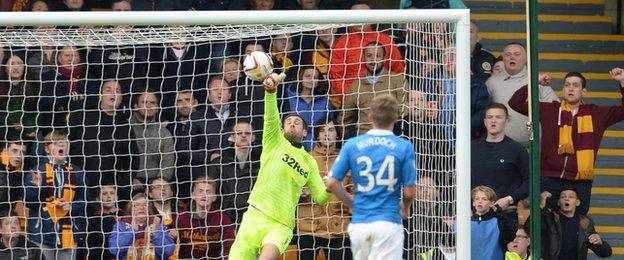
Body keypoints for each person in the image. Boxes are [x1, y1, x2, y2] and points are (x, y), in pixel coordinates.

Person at [228, 72, 332, 260]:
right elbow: (270, 117)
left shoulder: (310, 162)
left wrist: (332, 185)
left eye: (297, 122)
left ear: (305, 132)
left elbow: (321, 197)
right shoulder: (274, 141)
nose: (292, 124)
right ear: (282, 129)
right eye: (288, 122)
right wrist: (270, 91)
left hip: (281, 225)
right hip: (253, 217)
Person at [508, 68, 624, 215]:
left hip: (580, 182)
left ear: (584, 92)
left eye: (576, 85)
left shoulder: (597, 113)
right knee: (547, 225)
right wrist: (535, 82)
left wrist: (622, 81)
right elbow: (515, 102)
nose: (571, 88)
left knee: (576, 226)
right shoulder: (549, 109)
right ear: (563, 89)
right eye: (567, 85)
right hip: (549, 179)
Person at [326, 94, 417, 259]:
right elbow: (410, 192)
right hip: (388, 223)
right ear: (396, 117)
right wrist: (405, 206)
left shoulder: (352, 144)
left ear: (369, 116)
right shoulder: (404, 146)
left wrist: (351, 202)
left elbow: (332, 182)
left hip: (360, 223)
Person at [68, 80, 139, 206]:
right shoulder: (81, 117)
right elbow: (64, 144)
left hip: (109, 194)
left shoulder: (124, 126)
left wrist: (122, 186)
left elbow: (133, 161)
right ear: (100, 95)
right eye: (108, 90)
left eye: (117, 91)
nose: (113, 93)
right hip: (78, 188)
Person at [24, 130, 87, 259]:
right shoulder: (38, 170)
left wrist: (72, 206)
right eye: (57, 143)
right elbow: (29, 202)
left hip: (68, 235)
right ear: (47, 149)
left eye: (65, 143)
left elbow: (86, 200)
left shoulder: (77, 171)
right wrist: (36, 187)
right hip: (41, 234)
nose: (62, 146)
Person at [329, 2, 404, 107]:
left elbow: (398, 70)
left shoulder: (385, 40)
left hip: (383, 101)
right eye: (355, 16)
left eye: (363, 15)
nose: (359, 19)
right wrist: (352, 97)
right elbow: (336, 76)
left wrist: (390, 96)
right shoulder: (342, 43)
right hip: (352, 102)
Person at [297, 118, 353, 260]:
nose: (326, 134)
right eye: (322, 130)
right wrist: (302, 194)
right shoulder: (305, 158)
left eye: (331, 130)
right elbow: (293, 190)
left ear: (338, 134)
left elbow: (355, 193)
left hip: (338, 227)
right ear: (317, 135)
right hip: (308, 226)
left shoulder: (347, 160)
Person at [486, 42, 558, 146]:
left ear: (525, 58)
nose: (512, 57)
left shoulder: (538, 80)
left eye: (517, 54)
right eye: (508, 54)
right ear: (503, 59)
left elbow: (554, 110)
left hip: (533, 148)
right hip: (500, 147)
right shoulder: (492, 82)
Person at [471, 103, 529, 222]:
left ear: (507, 121)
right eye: (490, 117)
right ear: (484, 121)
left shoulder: (517, 149)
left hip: (505, 215)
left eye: (498, 117)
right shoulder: (471, 148)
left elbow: (530, 182)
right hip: (474, 215)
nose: (493, 121)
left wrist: (509, 199)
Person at [338, 42, 406, 138]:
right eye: (369, 55)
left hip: (390, 138)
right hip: (363, 139)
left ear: (384, 58)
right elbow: (344, 119)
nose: (373, 60)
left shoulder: (398, 80)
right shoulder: (356, 85)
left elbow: (405, 114)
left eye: (378, 56)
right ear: (363, 58)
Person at [208, 120, 261, 226]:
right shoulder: (219, 163)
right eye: (239, 133)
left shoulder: (262, 163)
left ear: (253, 137)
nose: (243, 136)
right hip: (225, 218)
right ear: (232, 137)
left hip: (254, 218)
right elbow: (213, 191)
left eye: (247, 133)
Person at [540, 186, 612, 260]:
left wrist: (600, 243)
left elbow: (606, 253)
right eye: (563, 197)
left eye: (571, 197)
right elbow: (530, 229)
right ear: (558, 202)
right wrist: (540, 207)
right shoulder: (549, 218)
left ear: (577, 202)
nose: (567, 199)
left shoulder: (585, 223)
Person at [175, 176, 236, 258]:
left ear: (214, 197)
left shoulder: (222, 219)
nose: (204, 195)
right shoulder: (181, 217)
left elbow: (229, 245)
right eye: (200, 191)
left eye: (208, 192)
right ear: (193, 195)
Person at [281, 66, 336, 150]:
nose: (311, 79)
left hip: (318, 149)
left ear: (318, 82)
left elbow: (330, 126)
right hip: (291, 146)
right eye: (308, 76)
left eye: (315, 77)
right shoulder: (288, 98)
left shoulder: (325, 103)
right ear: (301, 78)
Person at [109, 193, 175, 260]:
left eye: (145, 205)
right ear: (130, 209)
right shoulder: (121, 225)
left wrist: (156, 232)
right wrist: (132, 231)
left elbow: (168, 251)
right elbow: (113, 250)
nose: (141, 208)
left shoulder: (158, 225)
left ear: (148, 209)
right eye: (137, 205)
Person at [130, 90, 175, 185]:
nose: (149, 105)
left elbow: (167, 166)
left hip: (155, 185)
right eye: (144, 102)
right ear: (136, 106)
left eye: (152, 103)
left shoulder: (164, 133)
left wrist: (153, 186)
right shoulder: (124, 127)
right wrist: (130, 180)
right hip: (125, 183)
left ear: (157, 108)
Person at [470, 185, 515, 260]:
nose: (480, 201)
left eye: (484, 199)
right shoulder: (466, 223)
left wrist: (500, 214)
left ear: (491, 203)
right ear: (473, 203)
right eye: (476, 199)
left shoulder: (498, 221)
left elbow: (510, 236)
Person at [86, 184, 122, 260]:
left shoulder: (125, 216)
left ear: (117, 197)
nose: (109, 196)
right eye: (104, 194)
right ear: (98, 199)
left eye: (112, 193)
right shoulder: (93, 220)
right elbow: (92, 247)